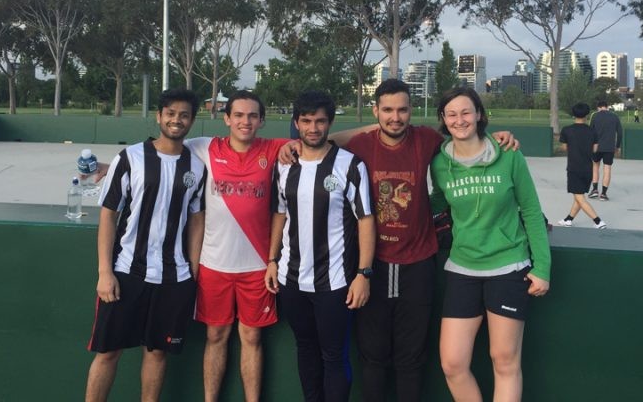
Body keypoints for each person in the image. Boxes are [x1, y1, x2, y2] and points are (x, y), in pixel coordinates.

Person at [278, 79, 518, 402]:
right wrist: (295, 145)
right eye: (387, 110)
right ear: (376, 111)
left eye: (402, 109)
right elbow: (326, 140)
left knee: (411, 359)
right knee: (372, 357)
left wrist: (498, 136)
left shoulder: (426, 140)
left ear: (411, 111)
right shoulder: (362, 145)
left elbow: (466, 134)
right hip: (373, 265)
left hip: (418, 265)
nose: (395, 117)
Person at [429, 87, 550, 402]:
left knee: (504, 360)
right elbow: (438, 202)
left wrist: (543, 267)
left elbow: (532, 212)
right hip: (462, 268)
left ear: (479, 114)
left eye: (466, 112)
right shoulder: (440, 163)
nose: (460, 120)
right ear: (443, 119)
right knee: (453, 363)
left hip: (508, 266)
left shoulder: (508, 153)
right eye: (452, 114)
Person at [85, 89, 206, 402]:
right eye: (170, 113)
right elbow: (109, 216)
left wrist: (192, 273)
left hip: (173, 278)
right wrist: (104, 271)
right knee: (108, 353)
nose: (176, 120)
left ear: (192, 120)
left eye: (184, 115)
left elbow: (196, 220)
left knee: (156, 354)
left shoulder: (197, 167)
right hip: (126, 273)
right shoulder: (131, 158)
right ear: (159, 116)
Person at [265, 91, 375, 402]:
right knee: (306, 349)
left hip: (335, 282)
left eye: (321, 121)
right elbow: (279, 213)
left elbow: (366, 220)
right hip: (292, 279)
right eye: (307, 121)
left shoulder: (350, 164)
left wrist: (363, 273)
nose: (314, 128)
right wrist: (272, 260)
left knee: (334, 356)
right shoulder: (285, 164)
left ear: (330, 123)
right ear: (296, 123)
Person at [186, 90, 292, 402]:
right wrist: (110, 168)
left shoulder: (274, 149)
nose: (245, 121)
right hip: (214, 265)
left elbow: (325, 140)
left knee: (252, 337)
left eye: (252, 116)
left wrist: (372, 129)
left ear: (261, 120)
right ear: (227, 118)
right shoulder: (206, 147)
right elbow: (159, 153)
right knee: (215, 336)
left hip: (257, 267)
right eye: (239, 115)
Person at [557, 103, 607, 229]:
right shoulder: (592, 131)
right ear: (587, 115)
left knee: (579, 197)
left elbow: (563, 147)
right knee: (579, 197)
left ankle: (598, 221)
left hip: (574, 168)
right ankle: (568, 219)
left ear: (573, 114)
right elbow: (595, 149)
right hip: (588, 169)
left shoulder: (566, 130)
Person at [588, 101, 623, 201]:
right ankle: (603, 194)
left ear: (598, 107)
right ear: (607, 107)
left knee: (595, 166)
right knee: (607, 168)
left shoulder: (595, 116)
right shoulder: (615, 116)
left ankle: (594, 190)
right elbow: (620, 133)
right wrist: (617, 146)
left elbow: (590, 131)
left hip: (596, 147)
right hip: (609, 147)